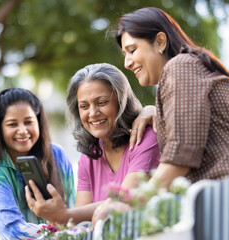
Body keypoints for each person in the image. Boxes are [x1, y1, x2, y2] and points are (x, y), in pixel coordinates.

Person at [114, 7, 229, 189]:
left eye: (132, 50)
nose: (127, 63)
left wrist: (132, 203)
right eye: (125, 54)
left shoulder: (180, 66)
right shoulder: (188, 69)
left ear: (160, 42)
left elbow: (180, 156)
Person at [25, 63, 160, 224]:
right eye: (84, 106)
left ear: (121, 101)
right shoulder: (89, 156)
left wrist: (64, 215)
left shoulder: (145, 138)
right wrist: (60, 217)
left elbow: (124, 202)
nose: (93, 113)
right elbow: (81, 222)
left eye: (102, 102)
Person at [0, 88, 76, 239]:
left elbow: (75, 210)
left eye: (29, 122)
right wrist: (57, 230)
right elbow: (11, 230)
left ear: (38, 122)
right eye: (12, 124)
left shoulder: (58, 155)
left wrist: (65, 223)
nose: (23, 130)